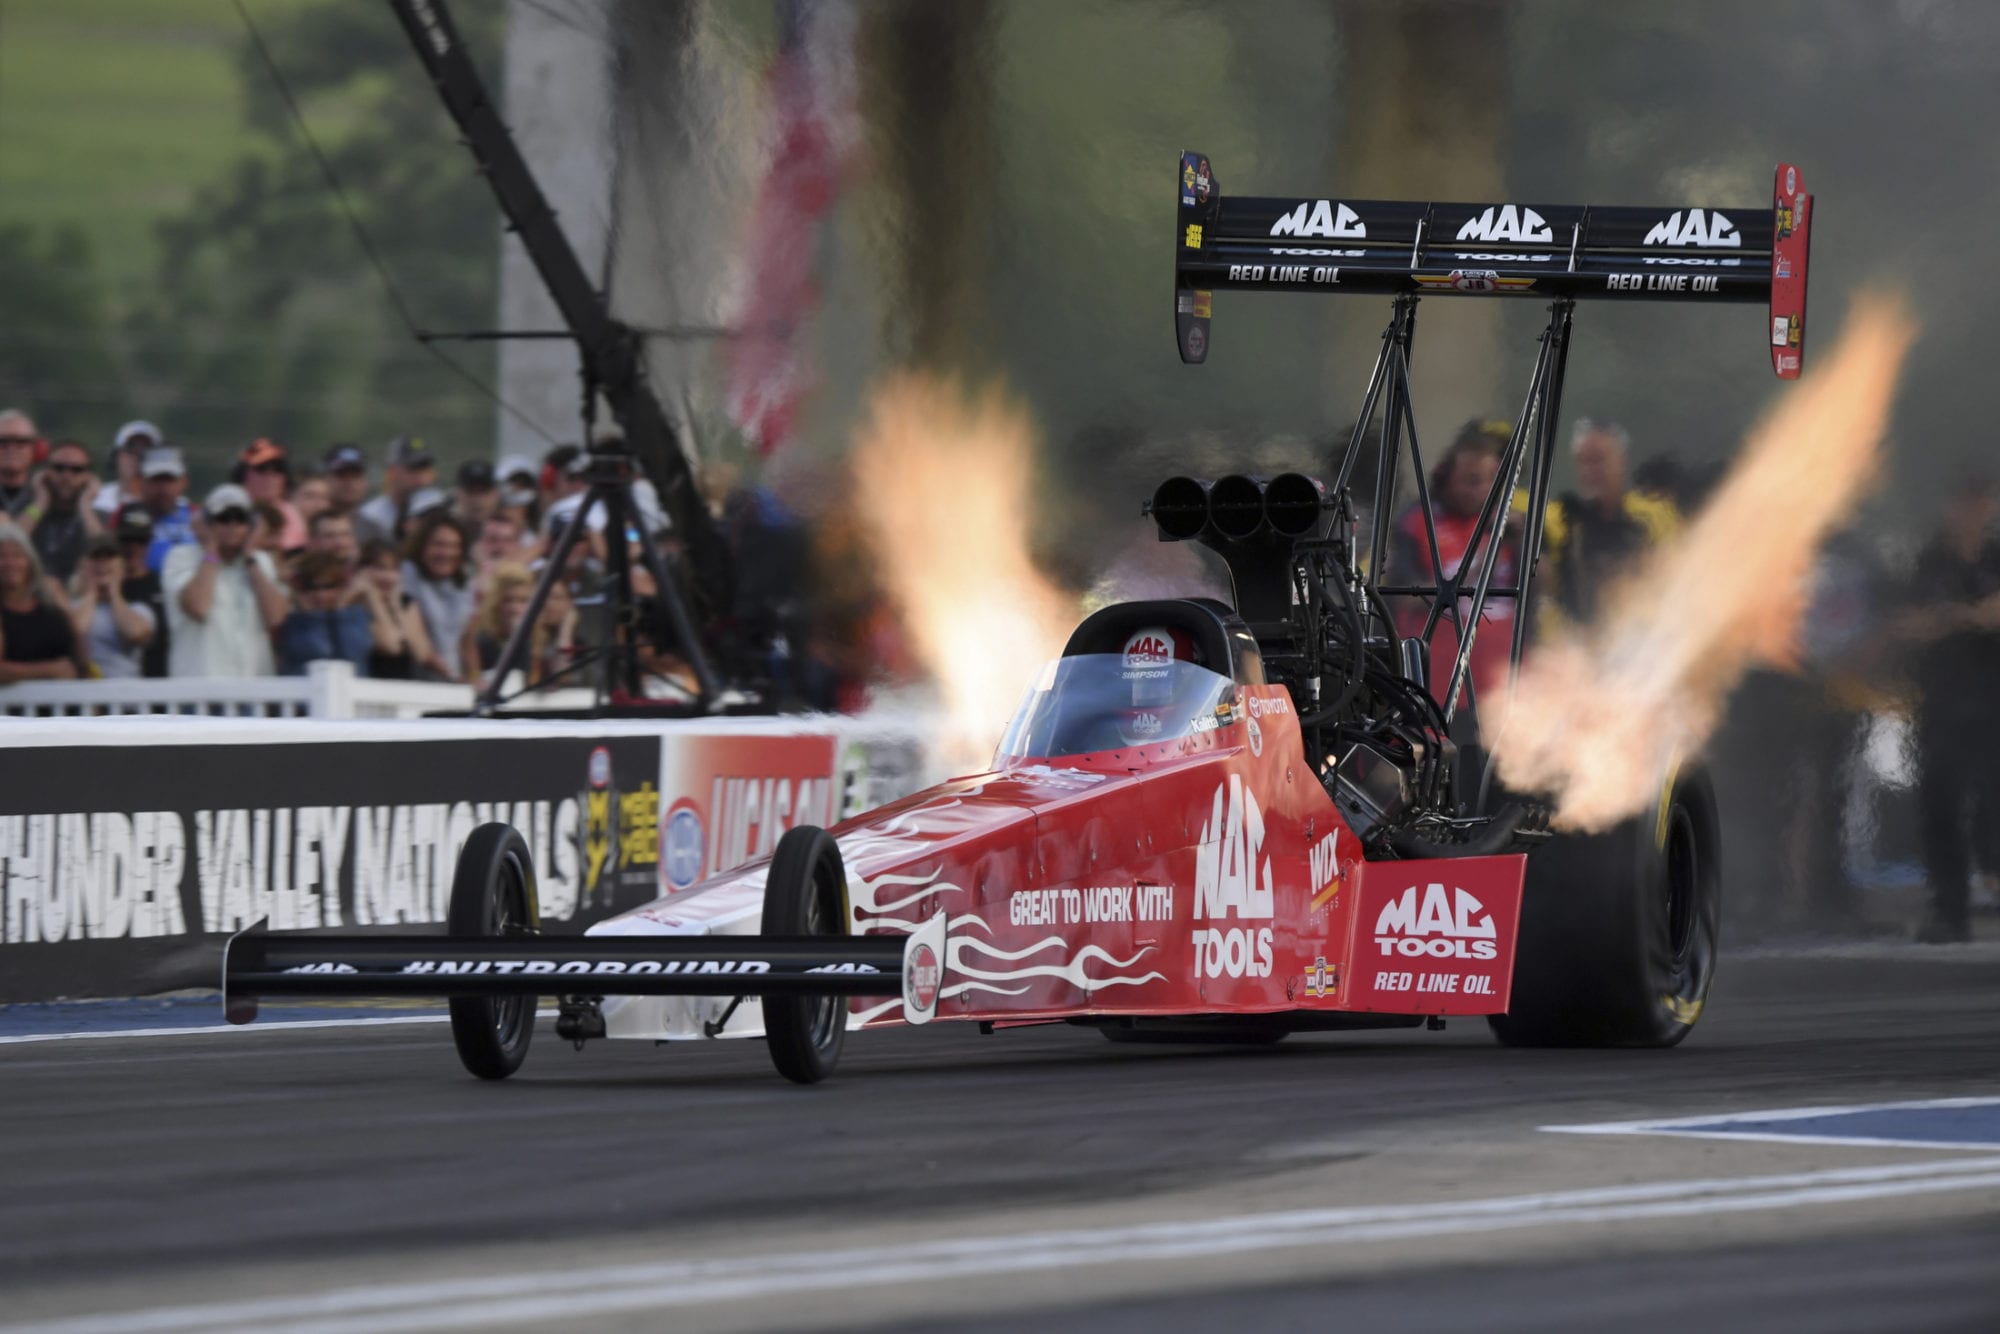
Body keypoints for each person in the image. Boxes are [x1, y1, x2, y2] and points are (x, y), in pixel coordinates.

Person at [1897, 481, 2000, 944]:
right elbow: (1908, 624)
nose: (1971, 511)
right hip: (1940, 699)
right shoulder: (1929, 561)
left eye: (1980, 501)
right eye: (1964, 501)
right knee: (1939, 804)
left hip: (1993, 697)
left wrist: (1952, 618)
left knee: (1992, 804)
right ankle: (1950, 911)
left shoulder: (1995, 558)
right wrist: (1967, 616)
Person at [1385, 418, 1521, 709]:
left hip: (1500, 692)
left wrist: (1530, 541)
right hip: (1437, 692)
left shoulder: (1505, 523)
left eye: (1487, 481)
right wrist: (1485, 557)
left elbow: (1542, 593)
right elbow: (1405, 600)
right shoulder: (1417, 524)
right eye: (1470, 480)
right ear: (1446, 478)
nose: (1478, 490)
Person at [1542, 419, 1680, 624]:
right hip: (1576, 643)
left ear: (1621, 461)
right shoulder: (1558, 519)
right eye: (1583, 461)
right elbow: (1542, 584)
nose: (1589, 472)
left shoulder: (1653, 515)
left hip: (1641, 636)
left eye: (1598, 460)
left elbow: (1676, 578)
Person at [162, 483, 288, 677]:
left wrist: (249, 556)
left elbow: (276, 618)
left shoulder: (259, 562)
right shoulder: (180, 557)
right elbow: (199, 607)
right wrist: (211, 550)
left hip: (252, 690)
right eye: (223, 518)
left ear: (251, 525)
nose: (232, 526)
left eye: (240, 519)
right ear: (207, 523)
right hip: (199, 692)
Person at [67, 532, 155, 678]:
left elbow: (136, 634)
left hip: (125, 695)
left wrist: (114, 592)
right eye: (95, 557)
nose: (102, 563)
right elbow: (73, 633)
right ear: (82, 565)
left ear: (122, 566)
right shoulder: (70, 609)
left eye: (109, 557)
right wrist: (92, 593)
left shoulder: (139, 609)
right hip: (84, 696)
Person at [400, 510, 475, 680]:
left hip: (451, 677)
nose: (446, 553)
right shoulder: (407, 575)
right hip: (417, 677)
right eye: (439, 545)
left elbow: (467, 639)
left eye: (453, 546)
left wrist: (474, 676)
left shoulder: (463, 582)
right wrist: (455, 679)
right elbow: (420, 641)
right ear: (422, 545)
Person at [276, 549, 373, 676]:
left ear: (342, 585)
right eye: (311, 587)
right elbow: (317, 649)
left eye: (329, 586)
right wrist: (310, 615)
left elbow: (350, 652)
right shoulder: (293, 620)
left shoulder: (357, 616)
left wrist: (340, 611)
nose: (320, 595)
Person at [0, 526, 79, 683]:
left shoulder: (50, 599)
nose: (10, 563)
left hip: (67, 701)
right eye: (2, 556)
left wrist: (68, 612)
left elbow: (78, 656)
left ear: (30, 560)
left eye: (17, 555)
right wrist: (50, 670)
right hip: (16, 705)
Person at [354, 537, 433, 679]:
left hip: (404, 685)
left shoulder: (405, 602)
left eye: (393, 569)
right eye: (380, 568)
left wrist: (396, 608)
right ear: (362, 570)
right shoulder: (356, 606)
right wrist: (374, 600)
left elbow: (421, 653)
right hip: (370, 685)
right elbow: (391, 645)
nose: (388, 577)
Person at [30, 438, 102, 582]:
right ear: (45, 472)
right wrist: (40, 502)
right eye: (59, 468)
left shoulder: (99, 516)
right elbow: (11, 543)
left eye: (77, 470)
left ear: (89, 477)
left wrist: (85, 506)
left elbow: (104, 550)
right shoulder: (31, 511)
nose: (67, 475)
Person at [112, 503, 170, 677]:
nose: (133, 547)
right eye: (127, 540)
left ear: (150, 542)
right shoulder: (106, 586)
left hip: (158, 690)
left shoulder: (163, 585)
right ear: (116, 538)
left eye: (141, 540)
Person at [355, 435, 437, 546]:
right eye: (413, 469)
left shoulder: (443, 508)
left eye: (424, 468)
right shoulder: (371, 517)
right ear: (391, 472)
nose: (420, 477)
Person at [236, 438, 307, 552]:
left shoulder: (291, 515)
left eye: (278, 469)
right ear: (243, 476)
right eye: (262, 469)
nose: (270, 476)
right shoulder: (230, 508)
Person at [138, 446, 197, 572]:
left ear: (183, 482)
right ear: (142, 482)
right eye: (156, 479)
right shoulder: (127, 515)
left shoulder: (197, 517)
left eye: (169, 479)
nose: (162, 487)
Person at [94, 420, 162, 519]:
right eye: (131, 449)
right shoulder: (96, 499)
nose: (138, 457)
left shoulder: (177, 507)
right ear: (115, 457)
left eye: (147, 451)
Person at [0, 408, 41, 522]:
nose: (11, 449)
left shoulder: (46, 490)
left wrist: (40, 504)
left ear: (36, 448)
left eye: (21, 442)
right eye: (3, 442)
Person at [322, 443, 371, 524]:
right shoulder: (307, 523)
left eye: (355, 475)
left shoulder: (376, 524)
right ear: (325, 479)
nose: (349, 482)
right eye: (341, 475)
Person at [307, 509, 360, 574]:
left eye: (345, 535)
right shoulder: (300, 577)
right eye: (330, 536)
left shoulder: (367, 571)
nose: (339, 542)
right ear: (313, 541)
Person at [454, 460, 501, 529]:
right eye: (470, 491)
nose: (477, 499)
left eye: (484, 491)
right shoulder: (443, 531)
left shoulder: (514, 532)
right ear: (458, 494)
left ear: (497, 494)